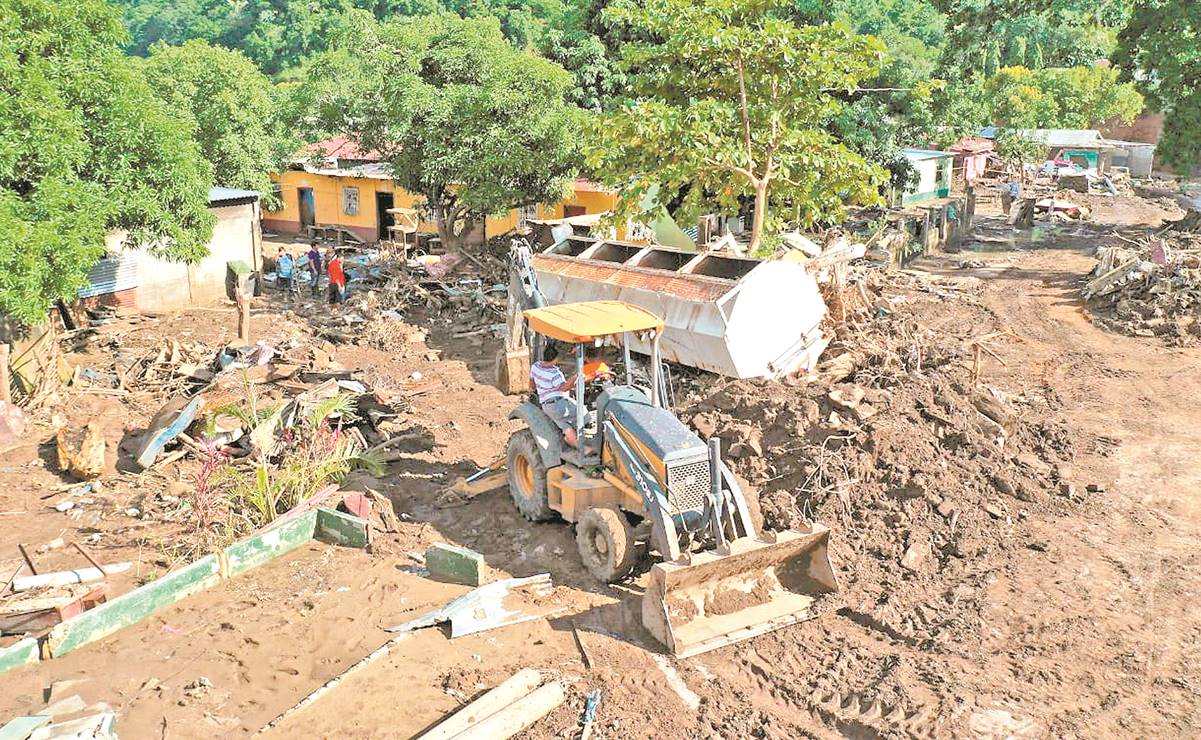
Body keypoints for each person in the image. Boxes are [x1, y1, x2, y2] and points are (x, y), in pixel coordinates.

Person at [530, 343, 586, 451]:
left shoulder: (535, 366)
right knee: (584, 413)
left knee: (564, 423)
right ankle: (581, 439)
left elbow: (532, 385)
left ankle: (571, 440)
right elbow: (564, 388)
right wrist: (576, 376)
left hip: (547, 405)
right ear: (555, 359)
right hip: (558, 405)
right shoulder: (555, 374)